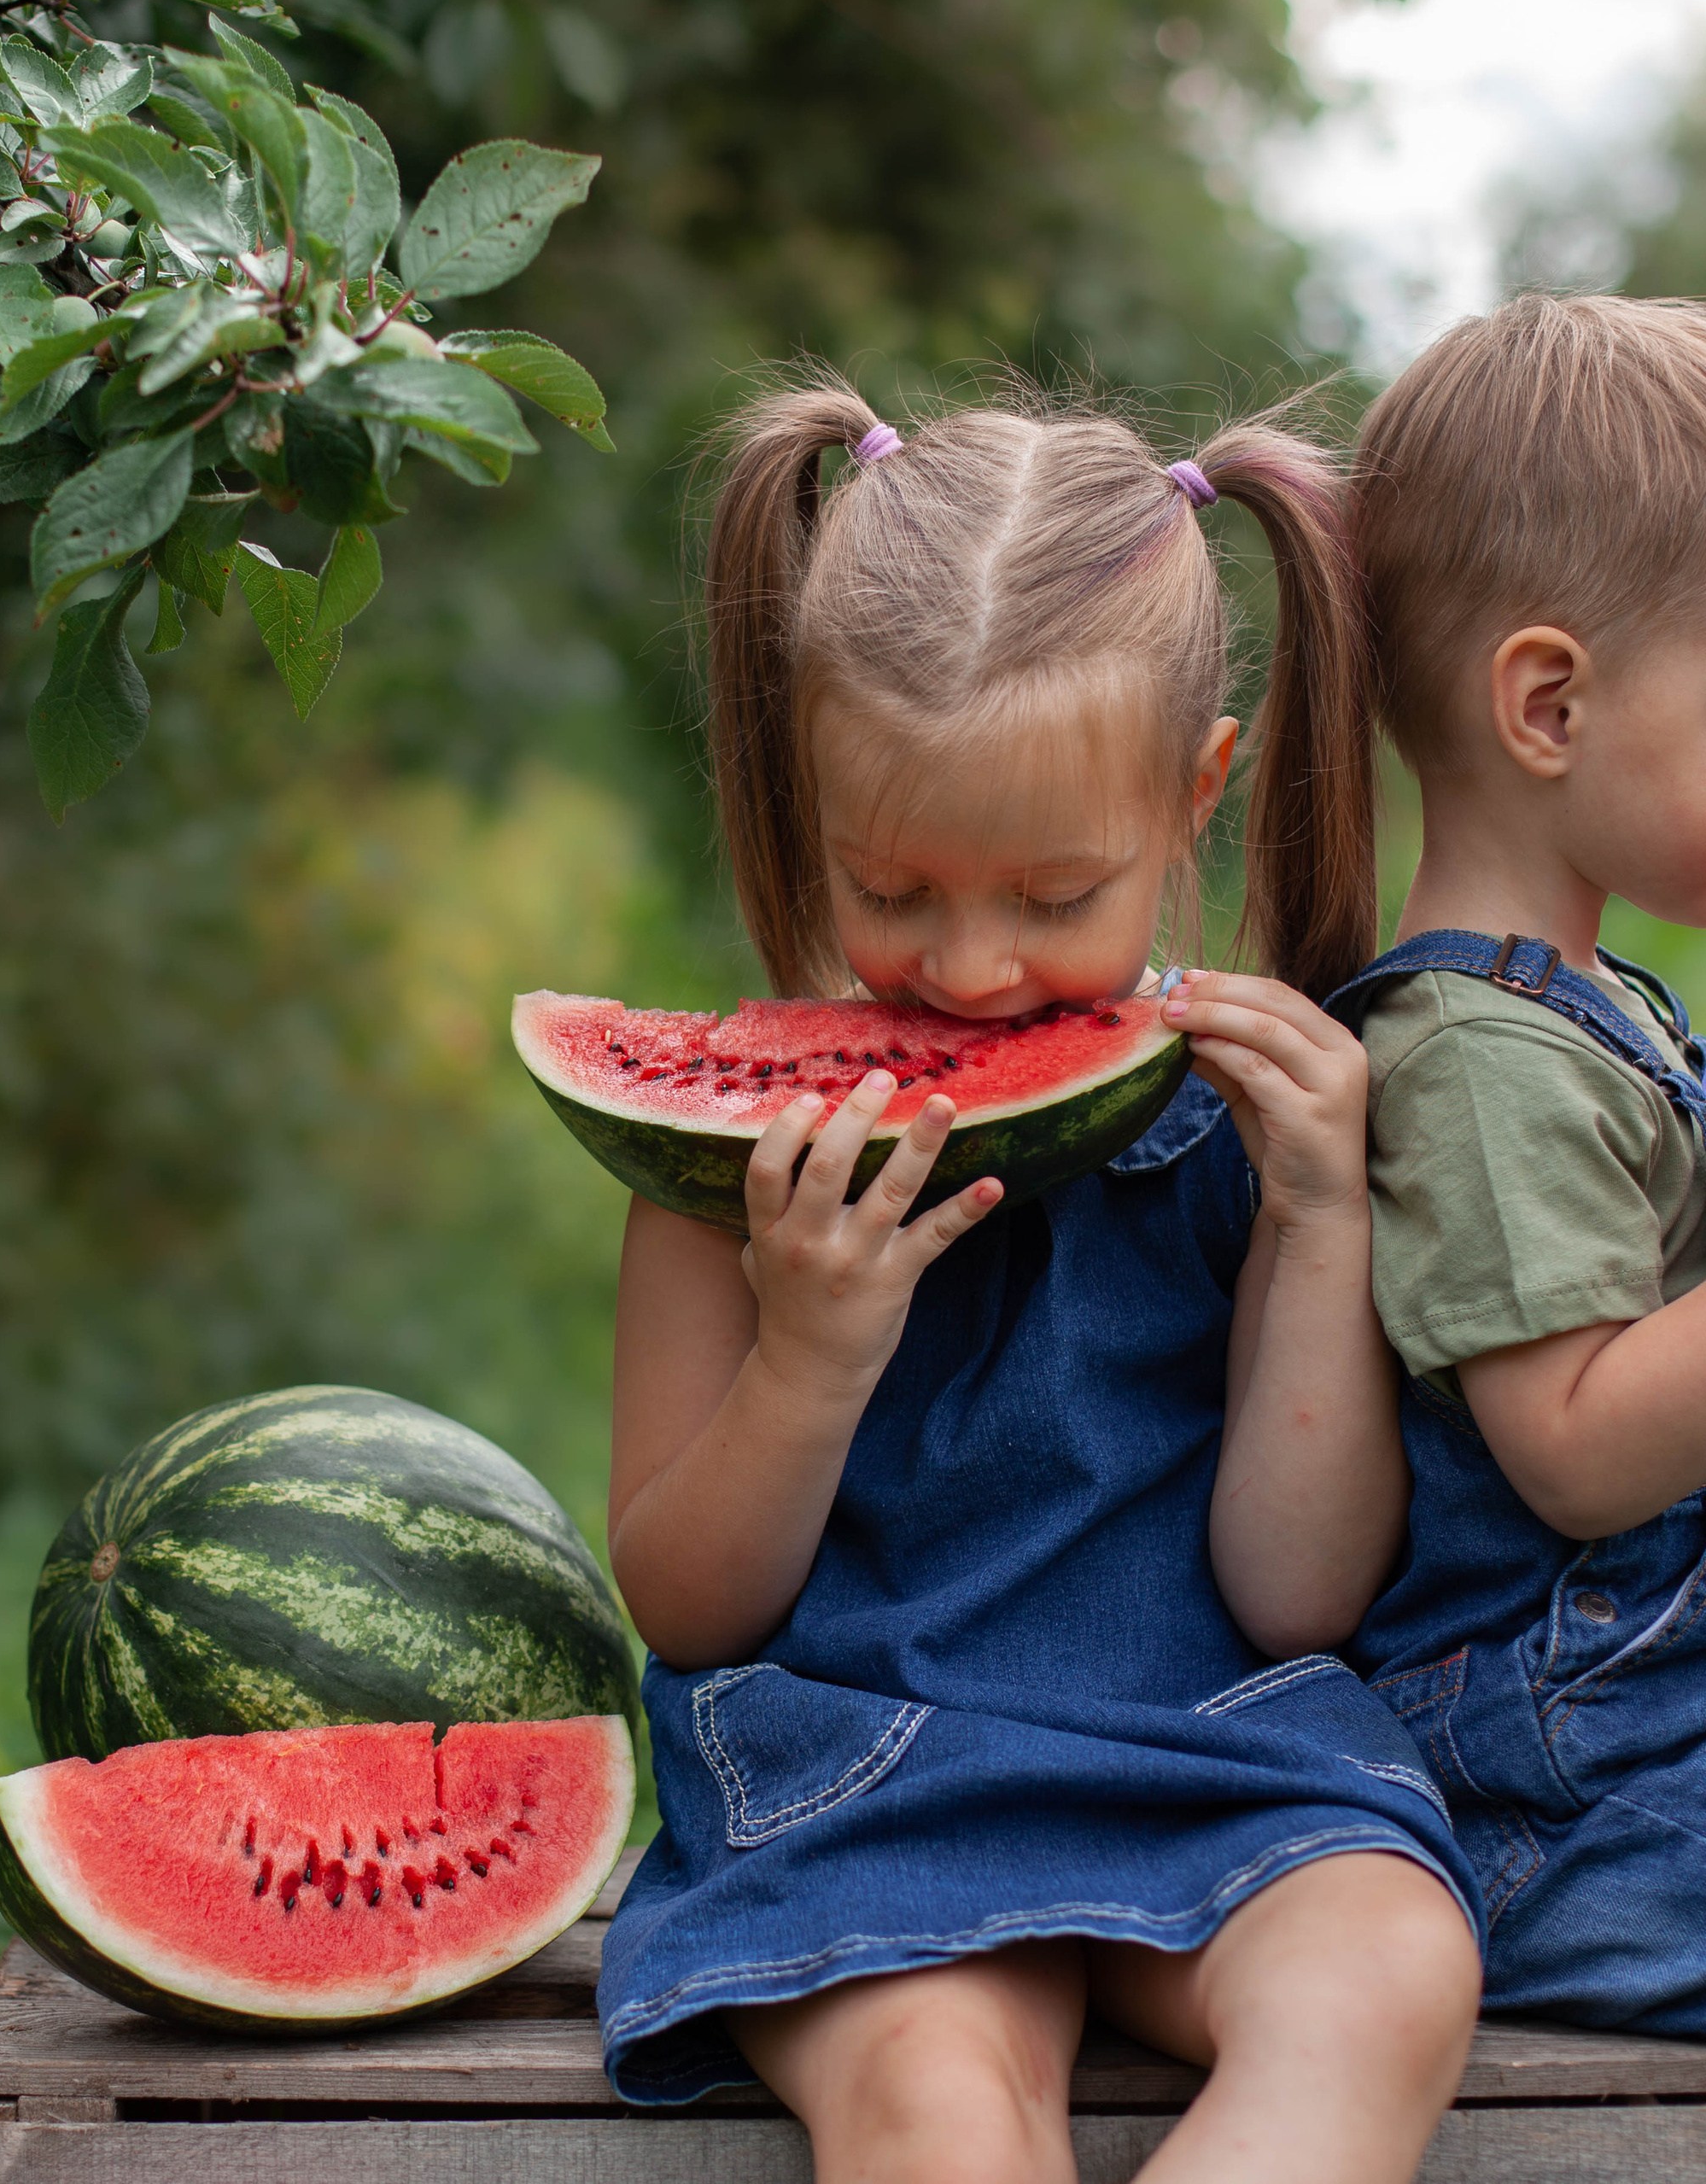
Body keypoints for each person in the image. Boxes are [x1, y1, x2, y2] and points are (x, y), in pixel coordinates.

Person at [593, 377, 1482, 2184]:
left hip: (1213, 1744)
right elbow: (686, 1603)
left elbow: (1296, 1588)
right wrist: (811, 1354)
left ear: (1194, 795)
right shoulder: (728, 1177)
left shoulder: (1251, 1134)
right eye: (892, 887)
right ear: (806, 786)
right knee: (937, 2100)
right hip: (860, 1770)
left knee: (1387, 1972)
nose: (973, 966)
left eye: (1053, 890)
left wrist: (1316, 1227)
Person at [1323, 293, 1706, 2032]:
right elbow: (1568, 1447)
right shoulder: (1475, 1059)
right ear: (1547, 703)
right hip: (1567, 1794)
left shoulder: (1578, 1010)